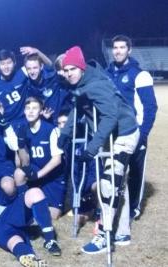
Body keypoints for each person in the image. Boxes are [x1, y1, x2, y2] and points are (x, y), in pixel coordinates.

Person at [58, 46, 139, 253]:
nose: (69, 74)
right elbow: (78, 109)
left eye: (72, 69)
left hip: (123, 133)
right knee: (118, 182)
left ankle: (104, 235)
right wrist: (65, 134)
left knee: (108, 183)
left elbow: (110, 117)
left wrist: (92, 148)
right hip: (109, 135)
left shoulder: (96, 85)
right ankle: (122, 231)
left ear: (81, 67)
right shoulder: (81, 84)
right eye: (65, 70)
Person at [106, 35, 158, 220]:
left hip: (135, 133)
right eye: (115, 47)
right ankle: (111, 206)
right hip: (113, 134)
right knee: (114, 171)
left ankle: (133, 208)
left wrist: (142, 136)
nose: (118, 51)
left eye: (122, 47)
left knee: (135, 173)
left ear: (129, 50)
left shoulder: (139, 74)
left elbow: (150, 108)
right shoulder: (108, 73)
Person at [8, 97, 65, 219]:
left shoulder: (52, 130)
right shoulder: (21, 129)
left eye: (34, 108)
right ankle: (21, 204)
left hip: (52, 176)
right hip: (34, 169)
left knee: (52, 215)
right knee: (18, 173)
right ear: (24, 111)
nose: (31, 111)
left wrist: (38, 175)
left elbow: (57, 159)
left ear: (41, 111)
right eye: (28, 108)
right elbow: (21, 163)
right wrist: (21, 145)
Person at [23, 53, 71, 125]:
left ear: (41, 66)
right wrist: (41, 114)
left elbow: (52, 65)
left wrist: (37, 51)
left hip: (64, 119)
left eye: (35, 68)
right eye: (29, 69)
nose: (32, 72)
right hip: (47, 122)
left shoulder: (53, 76)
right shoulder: (27, 86)